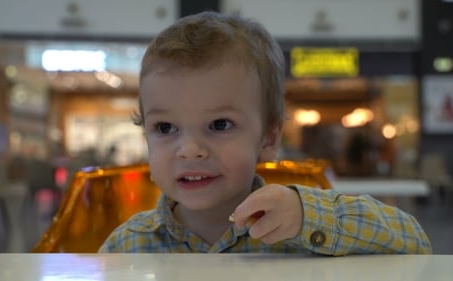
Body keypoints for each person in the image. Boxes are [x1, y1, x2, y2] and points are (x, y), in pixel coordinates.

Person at [99, 11, 432, 255]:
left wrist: (307, 218)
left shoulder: (299, 232)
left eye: (219, 125)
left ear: (269, 138)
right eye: (165, 128)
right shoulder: (126, 246)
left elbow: (415, 242)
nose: (189, 149)